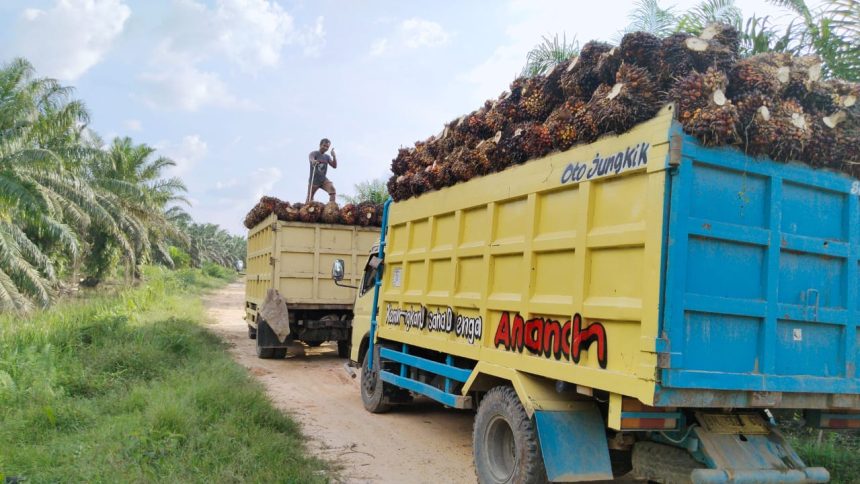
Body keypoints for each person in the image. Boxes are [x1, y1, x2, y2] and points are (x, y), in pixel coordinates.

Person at [307, 138, 338, 203]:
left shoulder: (327, 157)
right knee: (309, 199)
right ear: (320, 145)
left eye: (327, 147)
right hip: (314, 181)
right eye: (324, 145)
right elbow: (311, 157)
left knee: (332, 190)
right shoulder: (314, 153)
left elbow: (334, 166)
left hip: (323, 180)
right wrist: (313, 161)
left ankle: (332, 207)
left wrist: (334, 156)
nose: (325, 148)